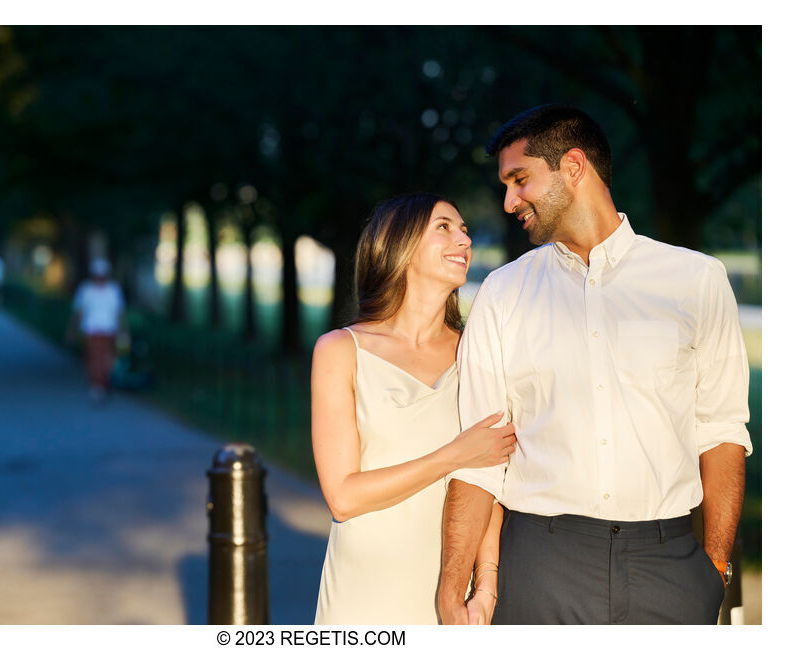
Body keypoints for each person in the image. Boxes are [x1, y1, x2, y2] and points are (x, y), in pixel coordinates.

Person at [437, 105, 752, 625]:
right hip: (539, 564)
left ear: (574, 167)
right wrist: (453, 586)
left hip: (668, 565)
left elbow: (720, 432)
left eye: (520, 180)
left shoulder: (696, 281)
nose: (509, 201)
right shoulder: (503, 293)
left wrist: (714, 568)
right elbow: (480, 456)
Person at [311, 193, 517, 624]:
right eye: (444, 227)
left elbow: (491, 482)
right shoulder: (340, 350)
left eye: (463, 229)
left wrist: (486, 588)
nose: (463, 238)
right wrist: (453, 455)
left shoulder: (477, 353)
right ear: (397, 244)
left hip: (450, 595)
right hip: (362, 594)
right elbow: (343, 497)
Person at [68, 258, 126, 402]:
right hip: (92, 329)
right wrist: (73, 330)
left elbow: (119, 313)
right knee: (95, 358)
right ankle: (97, 385)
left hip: (108, 330)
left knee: (106, 358)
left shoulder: (113, 290)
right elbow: (79, 312)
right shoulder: (87, 290)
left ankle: (102, 383)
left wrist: (123, 330)